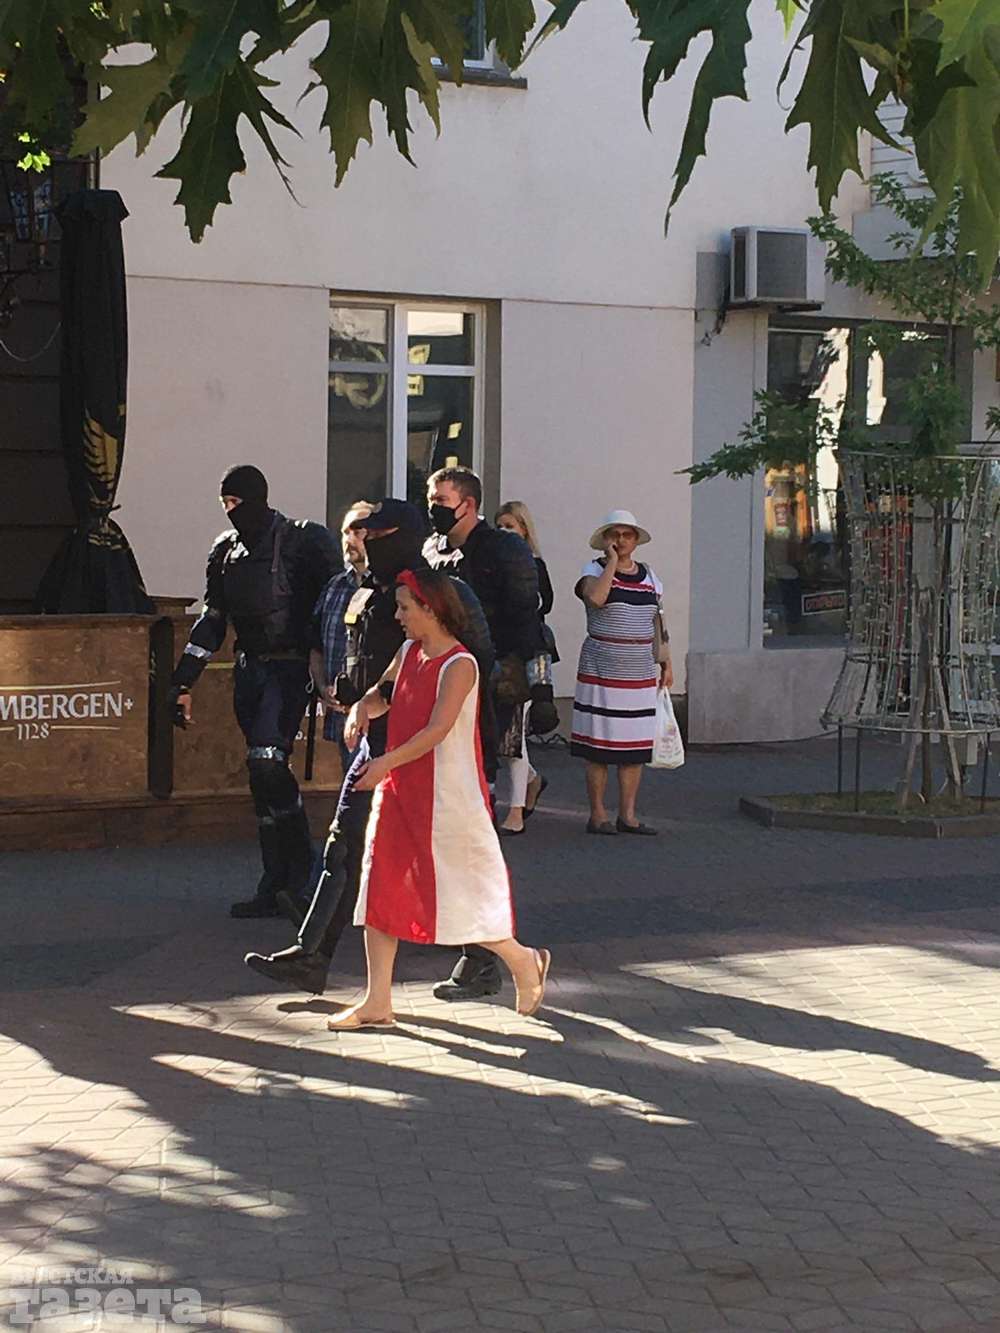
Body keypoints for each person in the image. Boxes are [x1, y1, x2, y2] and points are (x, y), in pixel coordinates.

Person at [243, 499, 493, 995]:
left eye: (378, 536)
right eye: (364, 535)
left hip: (429, 751)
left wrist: (482, 744)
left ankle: (486, 958)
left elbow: (478, 665)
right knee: (345, 846)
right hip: (376, 743)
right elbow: (372, 667)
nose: (366, 543)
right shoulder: (367, 591)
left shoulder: (444, 592)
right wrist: (359, 701)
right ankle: (311, 955)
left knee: (443, 856)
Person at [328, 567, 551, 1031]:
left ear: (431, 609)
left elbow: (438, 729)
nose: (398, 615)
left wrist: (384, 763)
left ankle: (523, 960)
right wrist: (360, 709)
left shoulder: (460, 665)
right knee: (380, 886)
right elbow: (383, 695)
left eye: (405, 607)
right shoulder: (409, 651)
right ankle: (377, 1001)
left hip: (448, 798)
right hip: (402, 790)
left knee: (460, 892)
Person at [169, 465, 340, 917]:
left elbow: (331, 607)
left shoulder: (303, 540)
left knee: (268, 760)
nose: (230, 512)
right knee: (259, 775)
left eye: (236, 502)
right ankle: (275, 880)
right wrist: (183, 679)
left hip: (290, 668)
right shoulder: (226, 550)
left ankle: (303, 872)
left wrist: (329, 671)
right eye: (224, 504)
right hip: (250, 669)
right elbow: (213, 618)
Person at [424, 467, 559, 1002]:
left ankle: (484, 955)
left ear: (469, 503)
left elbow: (529, 624)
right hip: (441, 691)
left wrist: (541, 689)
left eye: (442, 498)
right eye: (431, 497)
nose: (434, 505)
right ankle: (467, 940)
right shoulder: (433, 552)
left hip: (488, 692)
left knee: (469, 823)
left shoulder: (505, 551)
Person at [571, 509, 673, 836]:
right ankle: (598, 814)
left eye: (627, 535)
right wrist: (612, 563)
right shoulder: (593, 571)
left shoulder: (650, 576)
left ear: (636, 540)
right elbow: (597, 598)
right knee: (599, 747)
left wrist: (666, 662)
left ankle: (627, 814)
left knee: (634, 749)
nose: (621, 540)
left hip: (638, 673)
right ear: (605, 540)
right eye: (615, 534)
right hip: (601, 671)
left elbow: (658, 621)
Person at [493, 501, 555, 835]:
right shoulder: (489, 564)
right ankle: (532, 781)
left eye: (510, 526)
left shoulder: (534, 565)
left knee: (515, 738)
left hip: (525, 655)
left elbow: (544, 604)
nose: (504, 532)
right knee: (497, 735)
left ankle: (515, 811)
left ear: (524, 530)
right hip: (495, 653)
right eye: (500, 526)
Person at [309, 500, 373, 776]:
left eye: (358, 532)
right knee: (352, 786)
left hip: (378, 716)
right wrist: (322, 686)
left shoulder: (390, 587)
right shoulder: (334, 587)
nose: (349, 539)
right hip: (342, 716)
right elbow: (316, 645)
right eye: (345, 532)